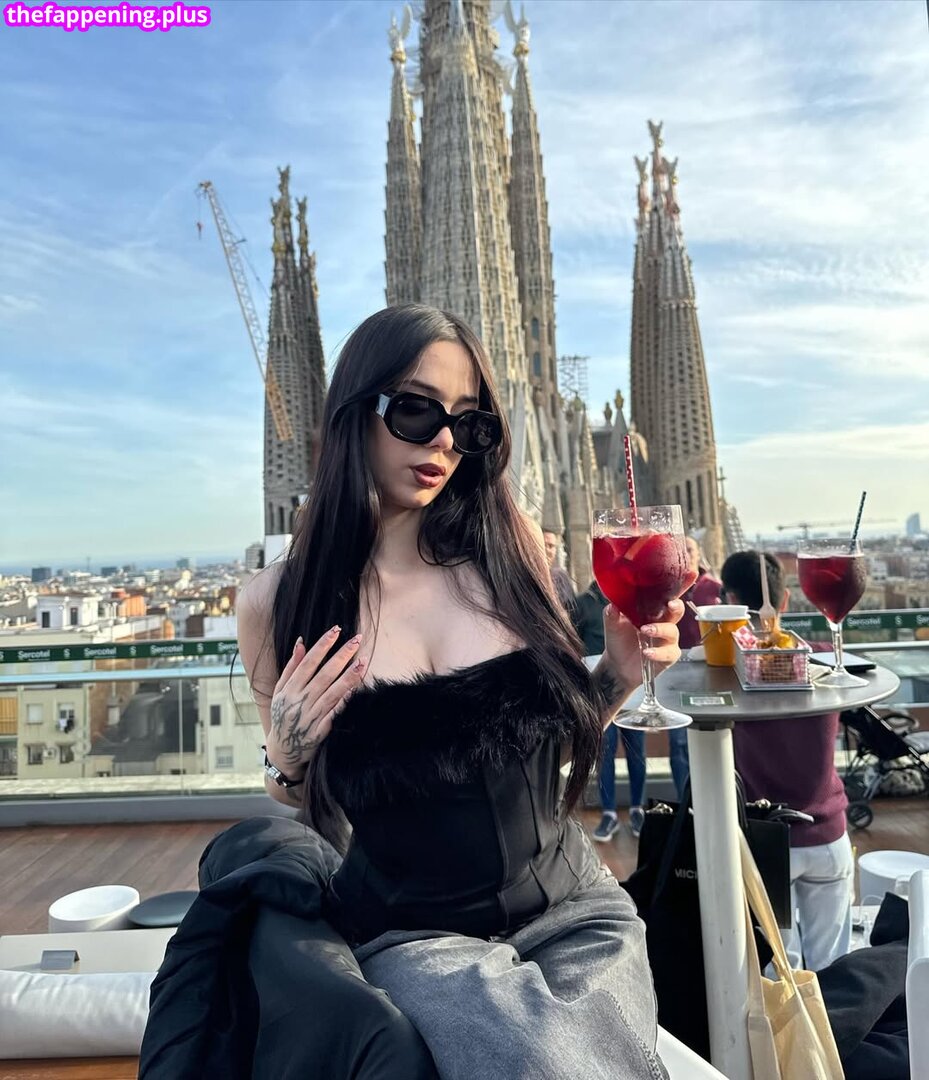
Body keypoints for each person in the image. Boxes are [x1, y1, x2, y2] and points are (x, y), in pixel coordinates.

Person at [234, 305, 690, 1079]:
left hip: (575, 912)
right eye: (416, 411)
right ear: (355, 413)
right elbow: (300, 796)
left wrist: (616, 672)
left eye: (469, 424)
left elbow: (542, 745)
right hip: (417, 938)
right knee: (543, 1059)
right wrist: (285, 758)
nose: (443, 441)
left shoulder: (511, 555)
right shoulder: (277, 603)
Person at [720, 549, 854, 972]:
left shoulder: (729, 674)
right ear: (786, 600)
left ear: (729, 600)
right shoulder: (822, 659)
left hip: (768, 843)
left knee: (782, 978)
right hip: (829, 835)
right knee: (836, 971)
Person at [573, 579, 648, 840]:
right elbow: (573, 643)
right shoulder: (583, 603)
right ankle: (608, 813)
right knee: (603, 754)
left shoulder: (633, 601)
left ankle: (638, 808)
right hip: (600, 691)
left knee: (637, 753)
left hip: (634, 694)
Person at [663, 536, 723, 798]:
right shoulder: (667, 589)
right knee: (678, 743)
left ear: (699, 554)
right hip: (675, 672)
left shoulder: (714, 588)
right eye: (681, 550)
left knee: (712, 735)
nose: (685, 554)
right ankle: (685, 800)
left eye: (689, 549)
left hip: (709, 672)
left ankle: (711, 796)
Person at [542, 529, 577, 615]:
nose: (547, 550)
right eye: (543, 545)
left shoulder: (561, 577)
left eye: (551, 546)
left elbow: (573, 610)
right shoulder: (524, 575)